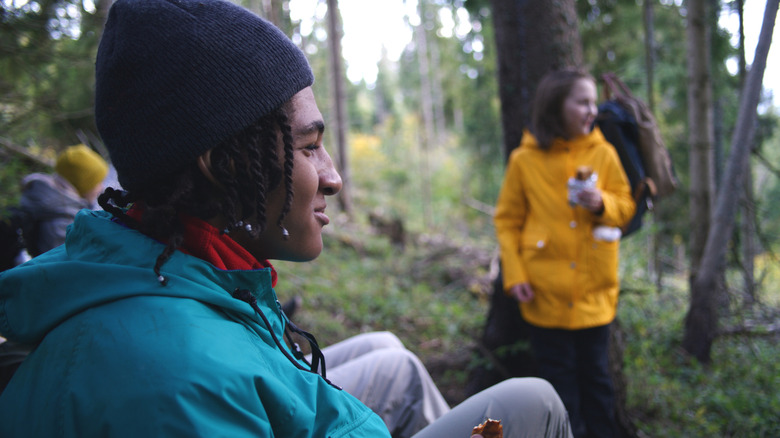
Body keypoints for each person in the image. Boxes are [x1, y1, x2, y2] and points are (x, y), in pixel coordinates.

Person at [0, 1, 572, 437]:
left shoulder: (169, 266)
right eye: (308, 147)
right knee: (533, 403)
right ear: (220, 164)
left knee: (398, 357)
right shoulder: (179, 383)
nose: (333, 176)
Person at [494, 69, 636, 438]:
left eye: (593, 101)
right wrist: (516, 276)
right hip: (544, 297)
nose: (593, 110)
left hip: (595, 297)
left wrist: (602, 202)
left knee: (599, 386)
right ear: (557, 106)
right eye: (583, 102)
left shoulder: (604, 153)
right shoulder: (524, 160)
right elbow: (507, 221)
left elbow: (626, 206)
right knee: (559, 390)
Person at [18, 143, 108, 256]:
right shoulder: (61, 219)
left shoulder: (52, 203)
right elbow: (65, 265)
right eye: (97, 182)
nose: (101, 188)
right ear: (82, 184)